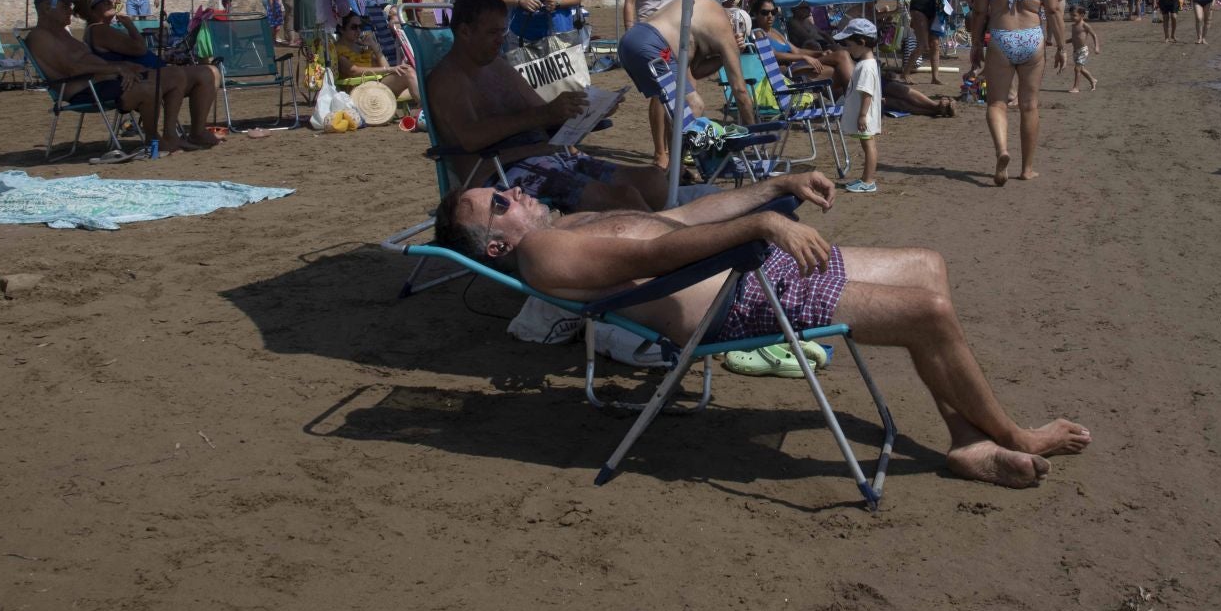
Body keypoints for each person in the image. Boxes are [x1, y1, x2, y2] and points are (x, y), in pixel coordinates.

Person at [438, 171, 1093, 488]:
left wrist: (772, 188)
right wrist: (760, 225)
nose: (511, 191)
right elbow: (651, 257)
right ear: (495, 248)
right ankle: (1011, 432)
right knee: (930, 313)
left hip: (755, 266)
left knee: (928, 266)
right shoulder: (545, 253)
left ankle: (964, 440)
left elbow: (683, 215)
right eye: (497, 204)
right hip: (744, 295)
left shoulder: (565, 224)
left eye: (503, 186)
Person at [427, 0, 670, 211]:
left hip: (550, 157)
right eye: (492, 33)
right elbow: (471, 137)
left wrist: (587, 109)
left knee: (653, 181)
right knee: (624, 199)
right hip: (502, 175)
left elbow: (542, 111)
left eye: (503, 31)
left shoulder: (497, 66)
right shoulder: (447, 79)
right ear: (464, 31)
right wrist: (545, 115)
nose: (500, 40)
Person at [25, 0, 218, 153]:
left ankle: (169, 136)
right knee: (152, 85)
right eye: (64, 5)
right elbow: (71, 68)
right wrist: (116, 68)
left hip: (101, 81)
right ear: (46, 8)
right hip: (85, 90)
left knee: (172, 76)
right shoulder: (40, 37)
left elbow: (87, 61)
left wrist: (121, 67)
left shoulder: (61, 35)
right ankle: (154, 138)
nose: (70, 9)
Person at [969, 0, 1066, 186]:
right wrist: (1061, 46)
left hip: (1001, 37)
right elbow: (1054, 10)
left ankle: (1002, 151)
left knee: (997, 103)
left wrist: (976, 44)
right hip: (1032, 37)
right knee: (1029, 105)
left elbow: (979, 10)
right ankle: (1027, 168)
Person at [617, 0, 759, 128]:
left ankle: (675, 152)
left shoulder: (708, 12)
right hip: (654, 45)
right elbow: (740, 90)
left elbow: (696, 70)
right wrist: (754, 131)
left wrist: (722, 58)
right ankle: (682, 153)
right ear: (737, 27)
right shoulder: (725, 26)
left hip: (630, 40)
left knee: (676, 110)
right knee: (693, 106)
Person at [621, 0, 687, 168]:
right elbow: (630, 1)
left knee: (677, 92)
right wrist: (630, 35)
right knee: (660, 93)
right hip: (650, 33)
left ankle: (675, 151)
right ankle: (660, 151)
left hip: (675, 32)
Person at [332, 11, 421, 105]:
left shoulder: (361, 47)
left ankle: (426, 109)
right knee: (408, 74)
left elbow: (385, 66)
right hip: (360, 90)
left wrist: (374, 46)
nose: (358, 31)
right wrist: (390, 69)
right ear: (341, 29)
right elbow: (353, 71)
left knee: (414, 76)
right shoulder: (338, 50)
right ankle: (427, 111)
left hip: (374, 85)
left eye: (360, 27)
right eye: (354, 27)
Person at [836, 18, 882, 193]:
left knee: (868, 144)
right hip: (866, 114)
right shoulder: (868, 64)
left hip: (865, 115)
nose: (848, 49)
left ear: (861, 42)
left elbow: (867, 92)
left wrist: (862, 115)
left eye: (849, 45)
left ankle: (869, 181)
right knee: (867, 144)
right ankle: (866, 178)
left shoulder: (865, 66)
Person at [908, 0, 946, 84]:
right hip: (919, 6)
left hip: (934, 7)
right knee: (923, 45)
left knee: (935, 44)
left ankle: (935, 77)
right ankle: (905, 73)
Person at [1065, 6, 1099, 92]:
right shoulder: (1073, 26)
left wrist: (1097, 47)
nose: (1072, 17)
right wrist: (1065, 41)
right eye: (1071, 15)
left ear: (1082, 15)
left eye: (1074, 15)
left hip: (1083, 50)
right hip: (1075, 51)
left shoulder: (1085, 25)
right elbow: (1074, 38)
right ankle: (1092, 80)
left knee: (1077, 69)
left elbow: (1094, 35)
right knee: (1081, 69)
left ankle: (1076, 87)